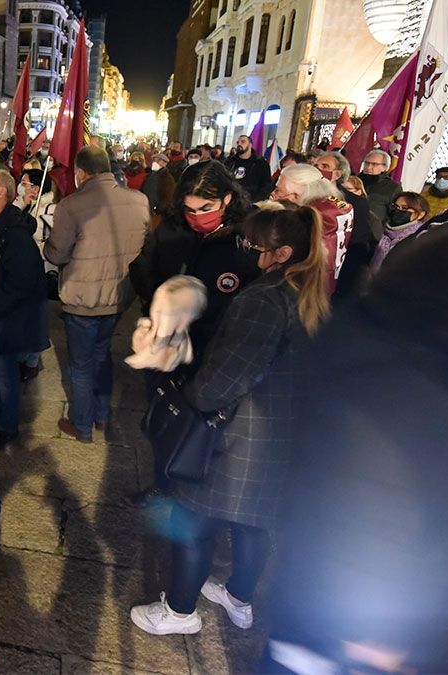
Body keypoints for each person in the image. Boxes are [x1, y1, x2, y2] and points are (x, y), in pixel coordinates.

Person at [264, 228, 448, 675]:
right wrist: (388, 637)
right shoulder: (405, 391)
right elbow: (372, 510)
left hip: (314, 605)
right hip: (354, 632)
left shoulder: (361, 337)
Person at [130, 205, 329, 637]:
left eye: (256, 245)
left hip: (242, 434)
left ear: (282, 252)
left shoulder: (264, 299)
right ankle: (239, 598)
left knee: (196, 520)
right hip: (280, 432)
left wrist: (193, 395)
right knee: (253, 522)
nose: (249, 251)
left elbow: (227, 375)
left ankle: (180, 612)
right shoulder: (309, 293)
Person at [45, 146, 150, 442]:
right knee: (102, 356)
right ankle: (102, 415)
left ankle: (82, 424)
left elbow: (56, 254)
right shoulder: (139, 201)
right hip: (118, 297)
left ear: (80, 172)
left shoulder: (71, 205)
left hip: (83, 300)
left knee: (80, 366)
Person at [130, 161, 261, 365]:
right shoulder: (172, 228)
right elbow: (142, 268)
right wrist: (160, 301)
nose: (197, 216)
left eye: (206, 208)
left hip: (214, 351)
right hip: (166, 344)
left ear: (227, 198)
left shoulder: (250, 236)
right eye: (189, 209)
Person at [0, 169, 49, 451]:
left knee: (6, 374)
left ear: (1, 192)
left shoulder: (15, 235)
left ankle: (8, 426)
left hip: (5, 316)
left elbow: (21, 282)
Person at [271, 163, 354, 294]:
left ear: (295, 196)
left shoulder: (309, 219)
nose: (272, 195)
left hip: (302, 289)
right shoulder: (336, 207)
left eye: (278, 191)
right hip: (327, 286)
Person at [314, 151, 377, 299]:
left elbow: (358, 244)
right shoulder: (307, 195)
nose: (318, 169)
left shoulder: (355, 203)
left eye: (325, 166)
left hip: (337, 275)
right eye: (315, 165)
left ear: (337, 174)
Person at [370, 191, 429, 273]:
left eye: (404, 208)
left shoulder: (418, 239)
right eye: (396, 207)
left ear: (421, 214)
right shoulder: (380, 229)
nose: (398, 210)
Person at [357, 150, 401, 235]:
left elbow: (393, 214)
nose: (369, 167)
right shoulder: (355, 181)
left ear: (385, 167)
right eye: (367, 163)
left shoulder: (393, 187)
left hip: (372, 232)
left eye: (374, 164)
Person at [224, 135, 273, 201]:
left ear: (250, 145)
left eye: (243, 142)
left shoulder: (261, 164)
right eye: (238, 142)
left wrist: (255, 202)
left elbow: (266, 187)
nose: (239, 144)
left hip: (252, 204)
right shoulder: (230, 161)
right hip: (231, 202)